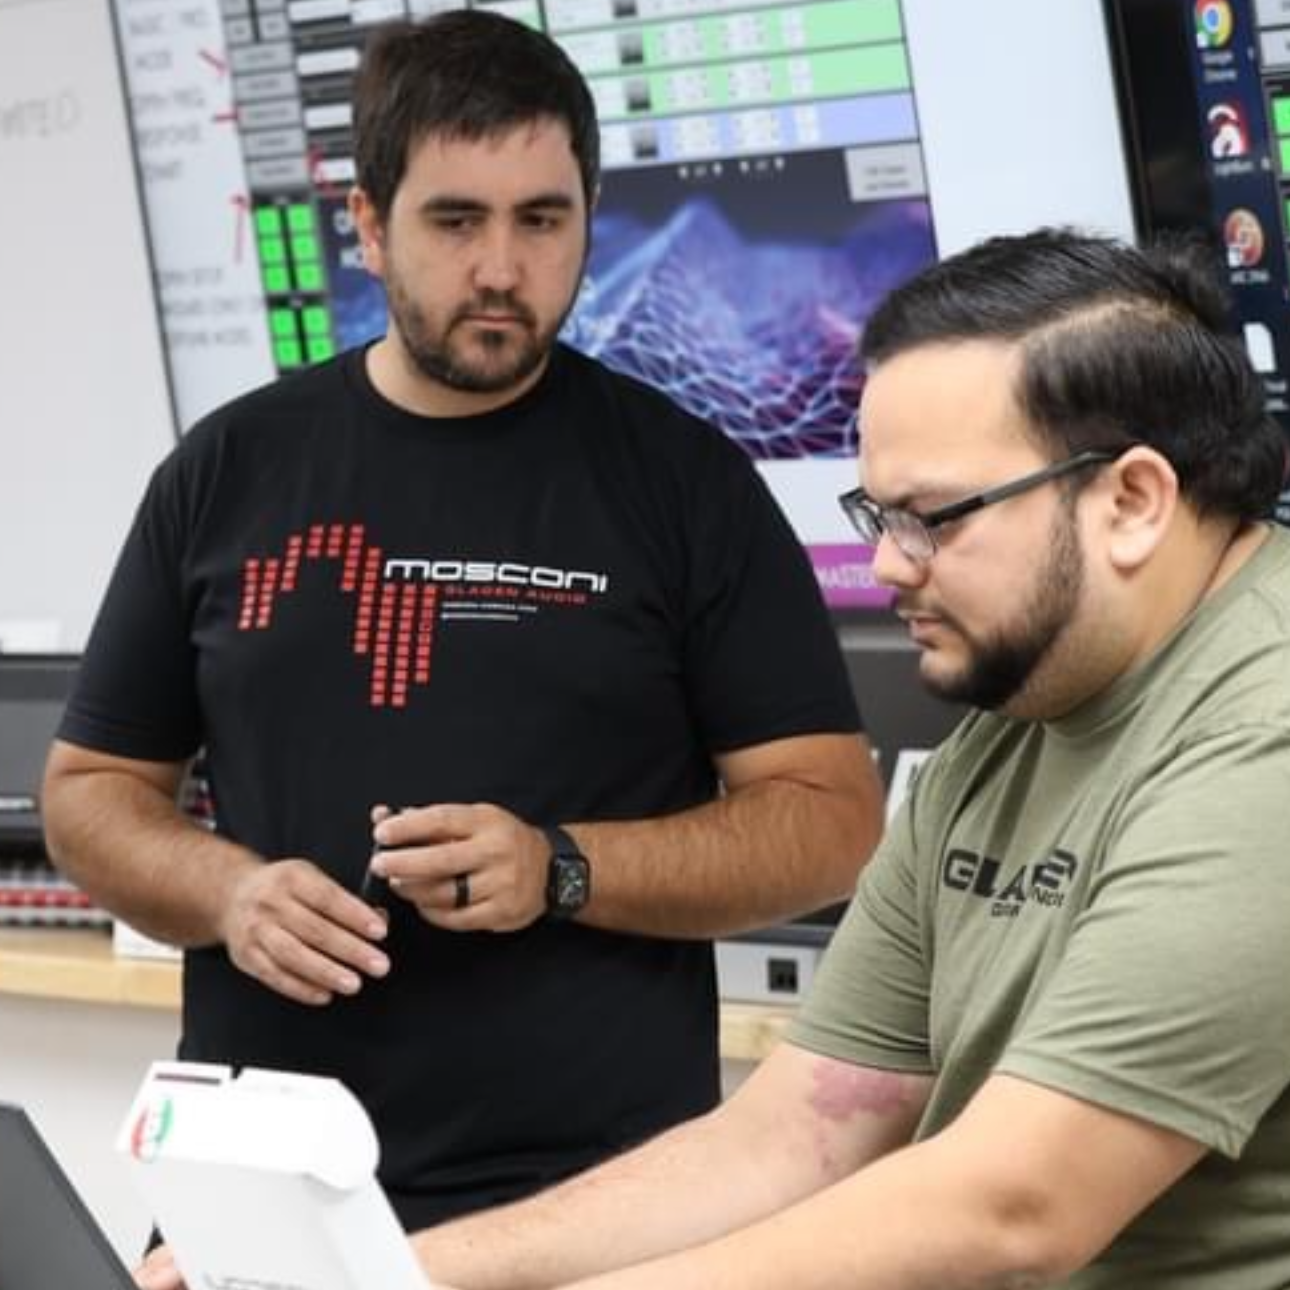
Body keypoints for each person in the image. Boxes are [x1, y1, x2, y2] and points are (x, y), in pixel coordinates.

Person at [42, 6, 882, 1240]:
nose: (500, 268)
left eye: (542, 220)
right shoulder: (226, 470)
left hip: (592, 1217)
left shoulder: (687, 484)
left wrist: (562, 868)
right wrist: (227, 891)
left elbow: (830, 821)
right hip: (260, 1192)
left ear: (589, 218)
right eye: (455, 220)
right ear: (368, 225)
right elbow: (91, 793)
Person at [389, 227, 1290, 1289]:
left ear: (1131, 502)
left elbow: (1017, 1205)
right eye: (878, 516)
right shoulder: (1025, 711)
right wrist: (387, 1275)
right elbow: (790, 1141)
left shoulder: (1263, 737)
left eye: (932, 519)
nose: (887, 566)